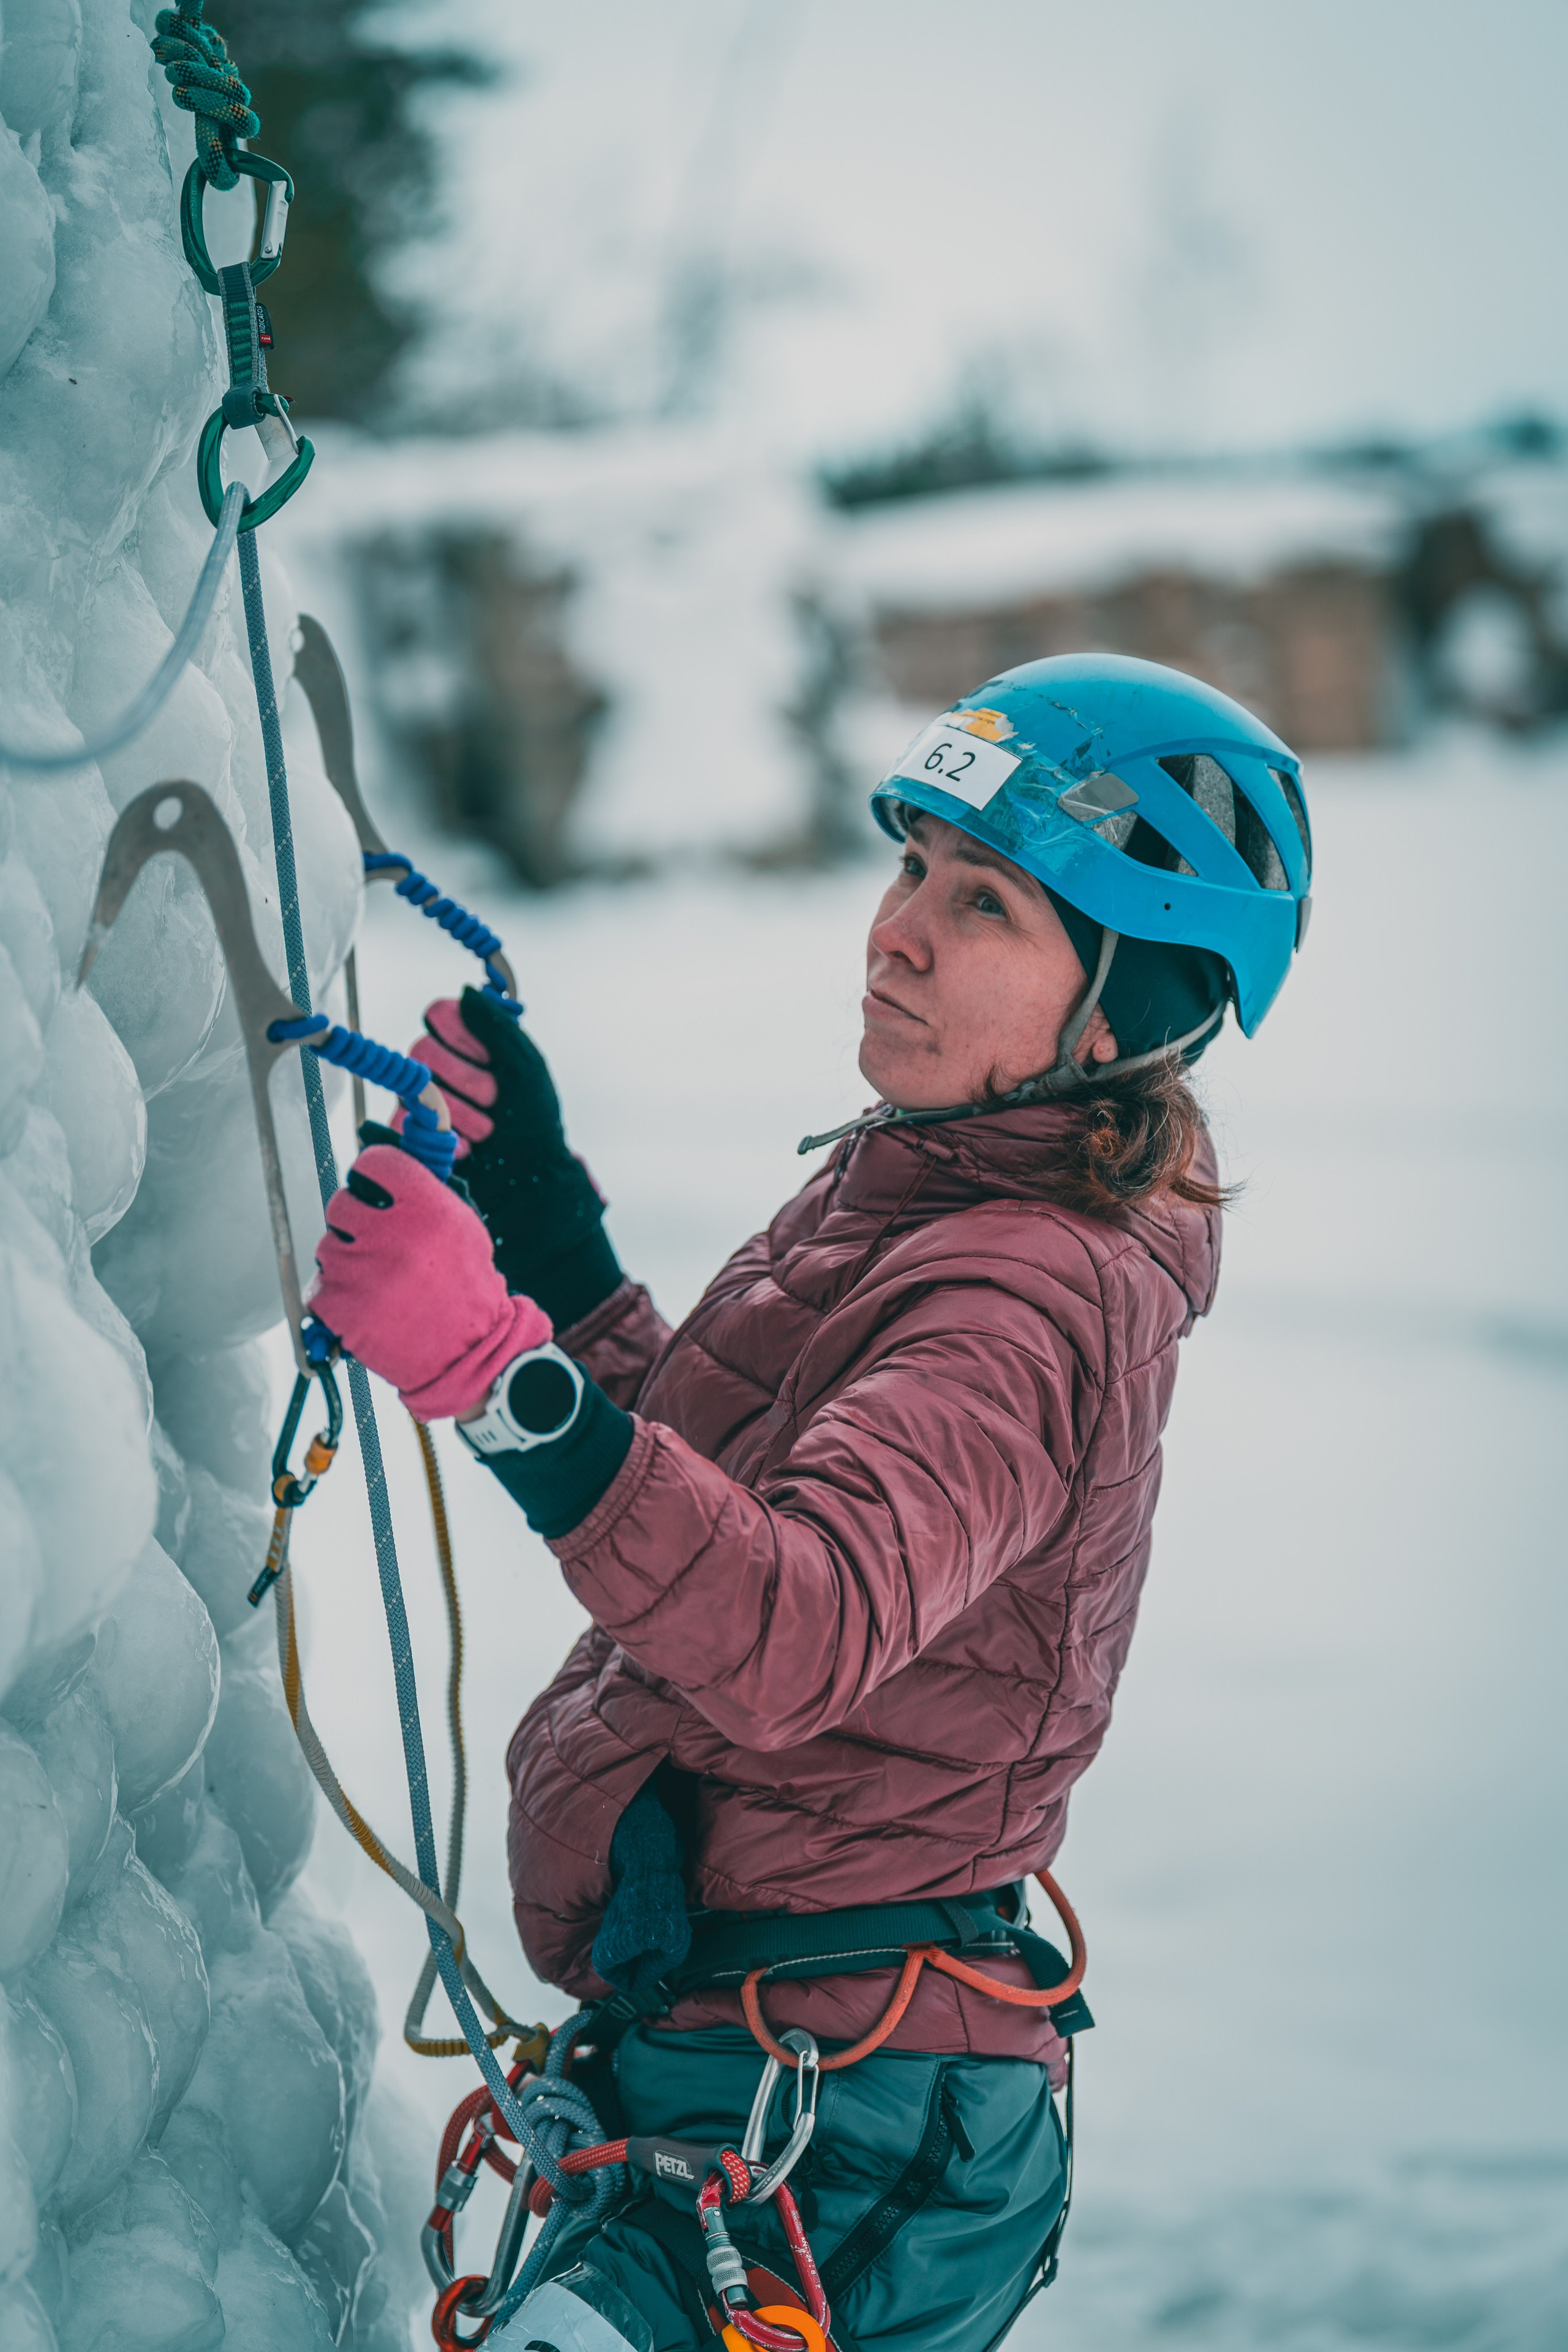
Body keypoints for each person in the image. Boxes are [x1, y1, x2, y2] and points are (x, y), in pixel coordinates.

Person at [309, 654, 1313, 2352]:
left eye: (983, 902)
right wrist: (546, 1237)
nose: (897, 929)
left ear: (1125, 1007)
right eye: (911, 865)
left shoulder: (1029, 1292)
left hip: (832, 2130)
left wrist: (490, 1370)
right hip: (767, 2066)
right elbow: (723, 1513)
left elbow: (788, 1632)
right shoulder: (933, 1199)